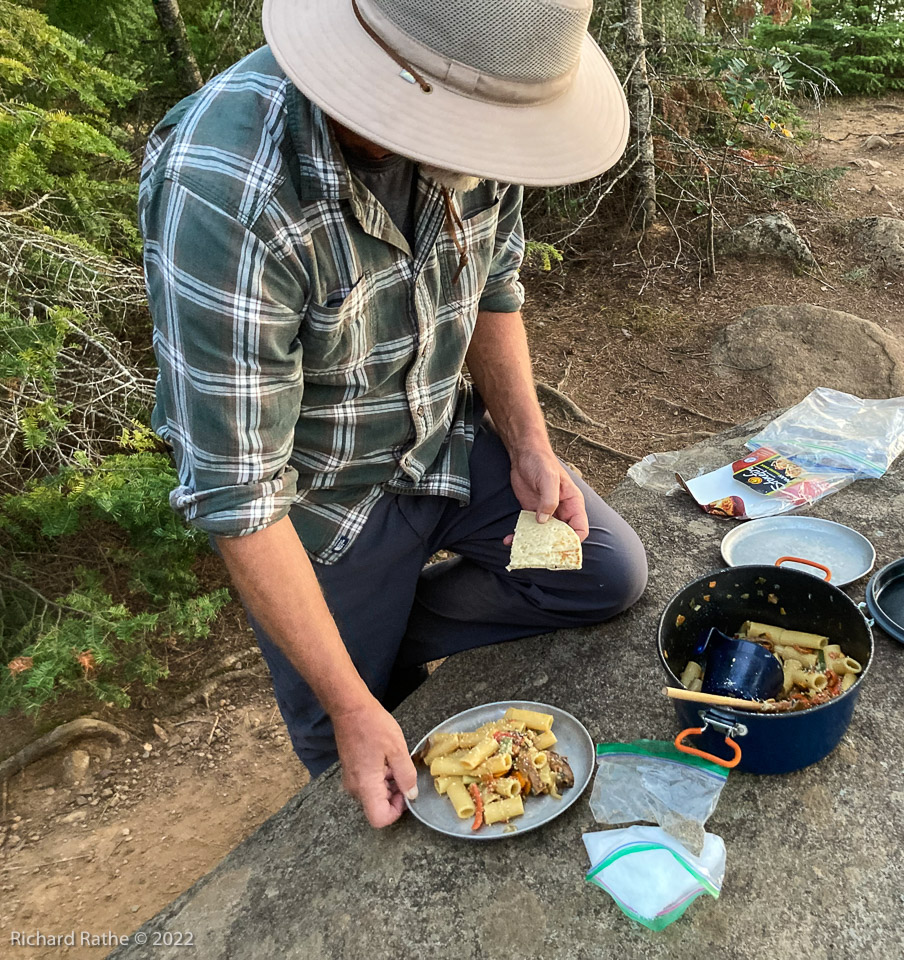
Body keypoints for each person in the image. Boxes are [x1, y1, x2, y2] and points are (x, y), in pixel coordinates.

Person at [138, 0, 647, 828]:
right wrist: (347, 699)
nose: (485, 159)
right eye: (463, 128)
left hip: (444, 444)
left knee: (601, 573)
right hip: (320, 504)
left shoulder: (496, 102)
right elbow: (239, 492)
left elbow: (494, 288)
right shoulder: (226, 186)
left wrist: (526, 442)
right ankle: (352, 667)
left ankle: (384, 641)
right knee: (355, 757)